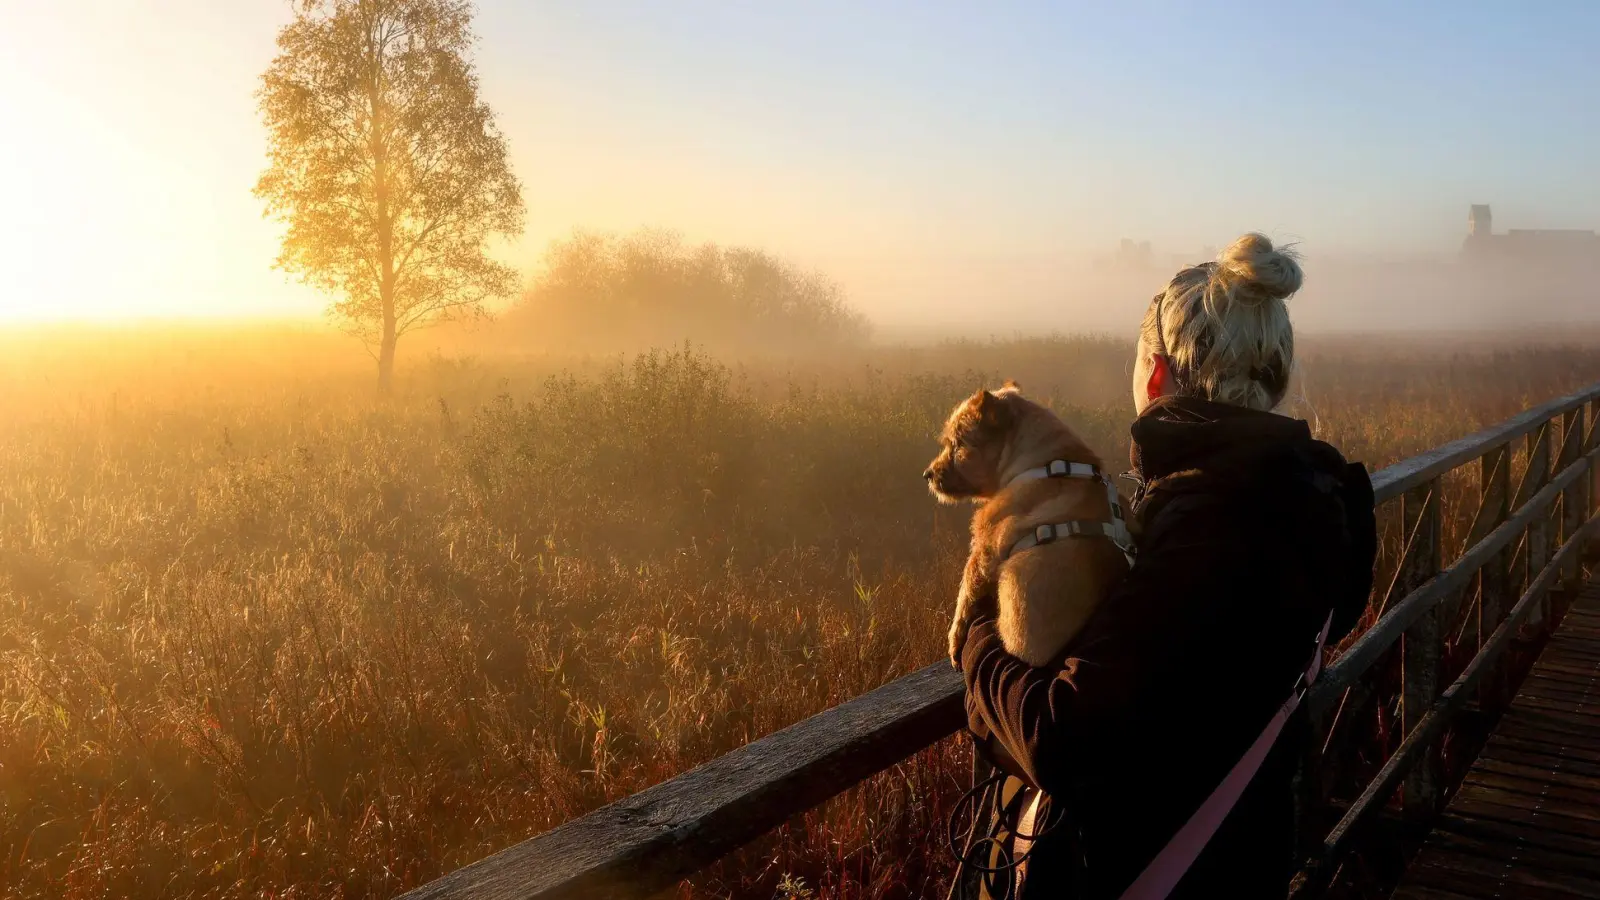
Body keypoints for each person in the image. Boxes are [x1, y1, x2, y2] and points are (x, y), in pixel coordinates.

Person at [955, 233, 1379, 899]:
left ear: (1156, 374)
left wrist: (979, 633)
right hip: (1244, 848)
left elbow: (1061, 736)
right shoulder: (1312, 498)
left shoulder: (1211, 526)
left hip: (1150, 867)